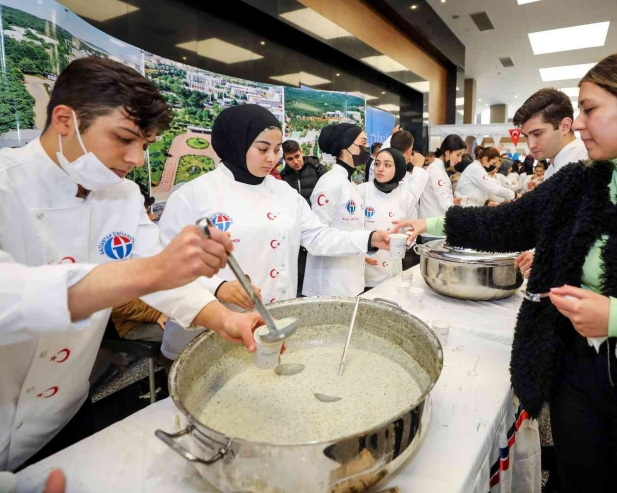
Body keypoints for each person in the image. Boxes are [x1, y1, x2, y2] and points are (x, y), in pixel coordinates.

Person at [392, 46, 617, 492]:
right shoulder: (582, 182)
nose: (576, 124)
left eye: (590, 110)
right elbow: (508, 223)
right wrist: (431, 224)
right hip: (577, 373)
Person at [0, 57, 264, 473]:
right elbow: (8, 295)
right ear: (65, 119)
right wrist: (154, 270)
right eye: (123, 139)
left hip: (63, 411)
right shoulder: (5, 183)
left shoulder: (121, 196)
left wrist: (221, 319)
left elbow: (156, 273)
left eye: (146, 144)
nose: (137, 159)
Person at [158, 106, 389, 355]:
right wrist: (218, 286)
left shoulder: (284, 193)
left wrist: (369, 238)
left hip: (275, 317)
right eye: (262, 149)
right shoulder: (192, 197)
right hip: (214, 329)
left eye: (277, 150)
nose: (272, 158)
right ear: (236, 143)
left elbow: (317, 236)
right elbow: (167, 266)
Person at [303, 123, 379, 297]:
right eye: (363, 142)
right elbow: (317, 239)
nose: (366, 148)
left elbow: (349, 230)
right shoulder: (329, 183)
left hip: (351, 278)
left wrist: (362, 250)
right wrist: (365, 241)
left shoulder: (350, 184)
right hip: (329, 284)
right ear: (347, 145)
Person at [358, 148, 417, 287]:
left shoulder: (406, 196)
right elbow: (351, 229)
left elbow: (412, 228)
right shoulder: (361, 191)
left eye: (387, 165)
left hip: (392, 267)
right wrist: (362, 254)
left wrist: (404, 239)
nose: (380, 169)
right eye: (377, 164)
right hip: (365, 267)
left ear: (399, 168)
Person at [279, 140, 329, 294]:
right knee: (300, 272)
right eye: (290, 159)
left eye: (297, 156)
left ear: (301, 152)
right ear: (284, 159)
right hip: (297, 233)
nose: (295, 161)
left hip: (320, 228)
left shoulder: (318, 169)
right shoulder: (283, 178)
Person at [514, 88, 589, 181]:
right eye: (526, 136)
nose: (530, 145)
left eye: (537, 134)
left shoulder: (586, 163)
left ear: (564, 126)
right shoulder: (552, 168)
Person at [419, 134, 465, 219]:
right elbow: (445, 204)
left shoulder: (439, 168)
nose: (460, 160)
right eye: (458, 155)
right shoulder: (436, 170)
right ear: (447, 152)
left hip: (434, 223)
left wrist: (452, 201)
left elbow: (440, 198)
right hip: (432, 226)